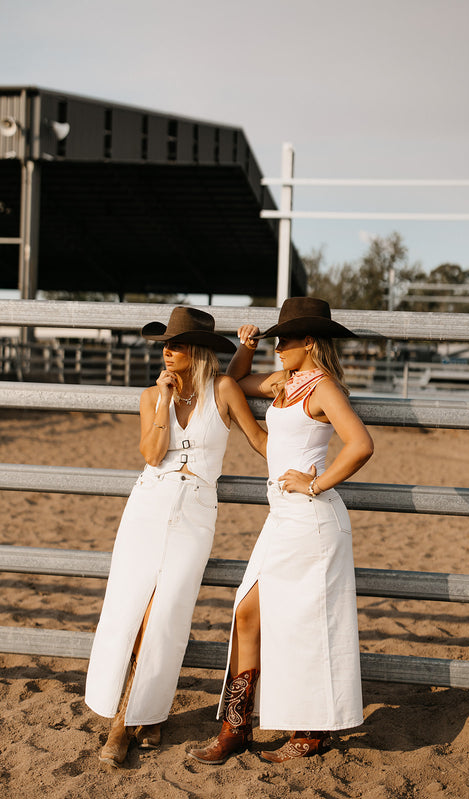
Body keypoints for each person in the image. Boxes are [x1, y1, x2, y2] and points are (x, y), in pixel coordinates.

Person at [189, 297, 374, 765]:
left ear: (309, 341)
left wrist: (315, 483)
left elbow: (360, 444)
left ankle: (308, 733)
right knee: (246, 612)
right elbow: (232, 383)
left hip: (312, 519)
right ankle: (236, 728)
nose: (278, 347)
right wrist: (247, 347)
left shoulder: (323, 388)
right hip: (281, 517)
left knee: (305, 624)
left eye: (284, 340)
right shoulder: (283, 382)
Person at [85, 306, 267, 767]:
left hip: (196, 513)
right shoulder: (152, 395)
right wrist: (164, 401)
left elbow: (259, 439)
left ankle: (144, 714)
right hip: (147, 504)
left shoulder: (223, 389)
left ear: (199, 351)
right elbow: (151, 454)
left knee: (166, 614)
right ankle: (126, 719)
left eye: (177, 345)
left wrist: (309, 462)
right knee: (129, 608)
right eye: (165, 344)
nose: (167, 352)